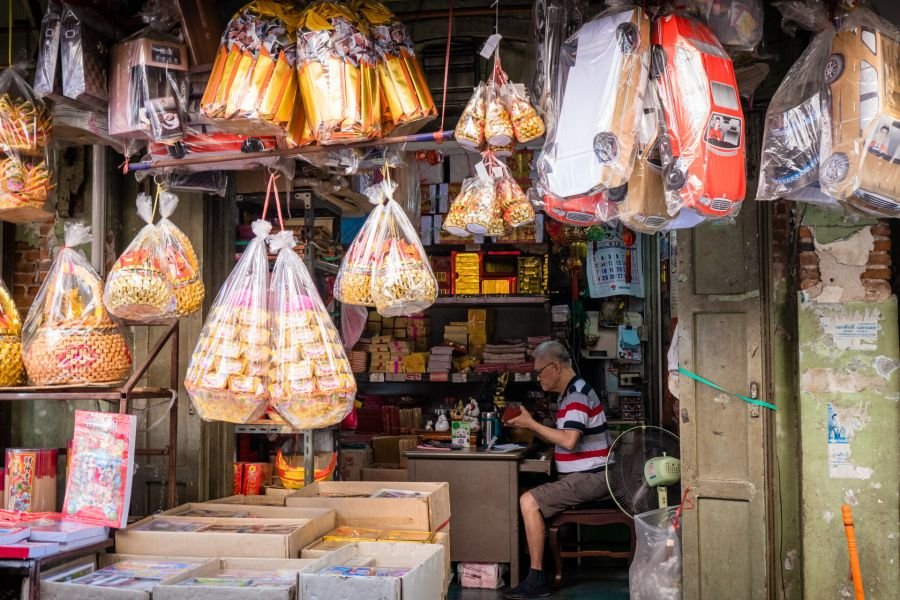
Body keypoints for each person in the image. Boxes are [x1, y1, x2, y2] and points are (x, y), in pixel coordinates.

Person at [503, 341, 612, 599]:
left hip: (593, 477)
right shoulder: (570, 394)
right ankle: (538, 568)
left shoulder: (576, 395)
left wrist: (532, 424)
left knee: (528, 501)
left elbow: (569, 440)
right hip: (585, 476)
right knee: (528, 493)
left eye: (540, 371)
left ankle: (537, 579)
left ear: (555, 366)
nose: (538, 377)